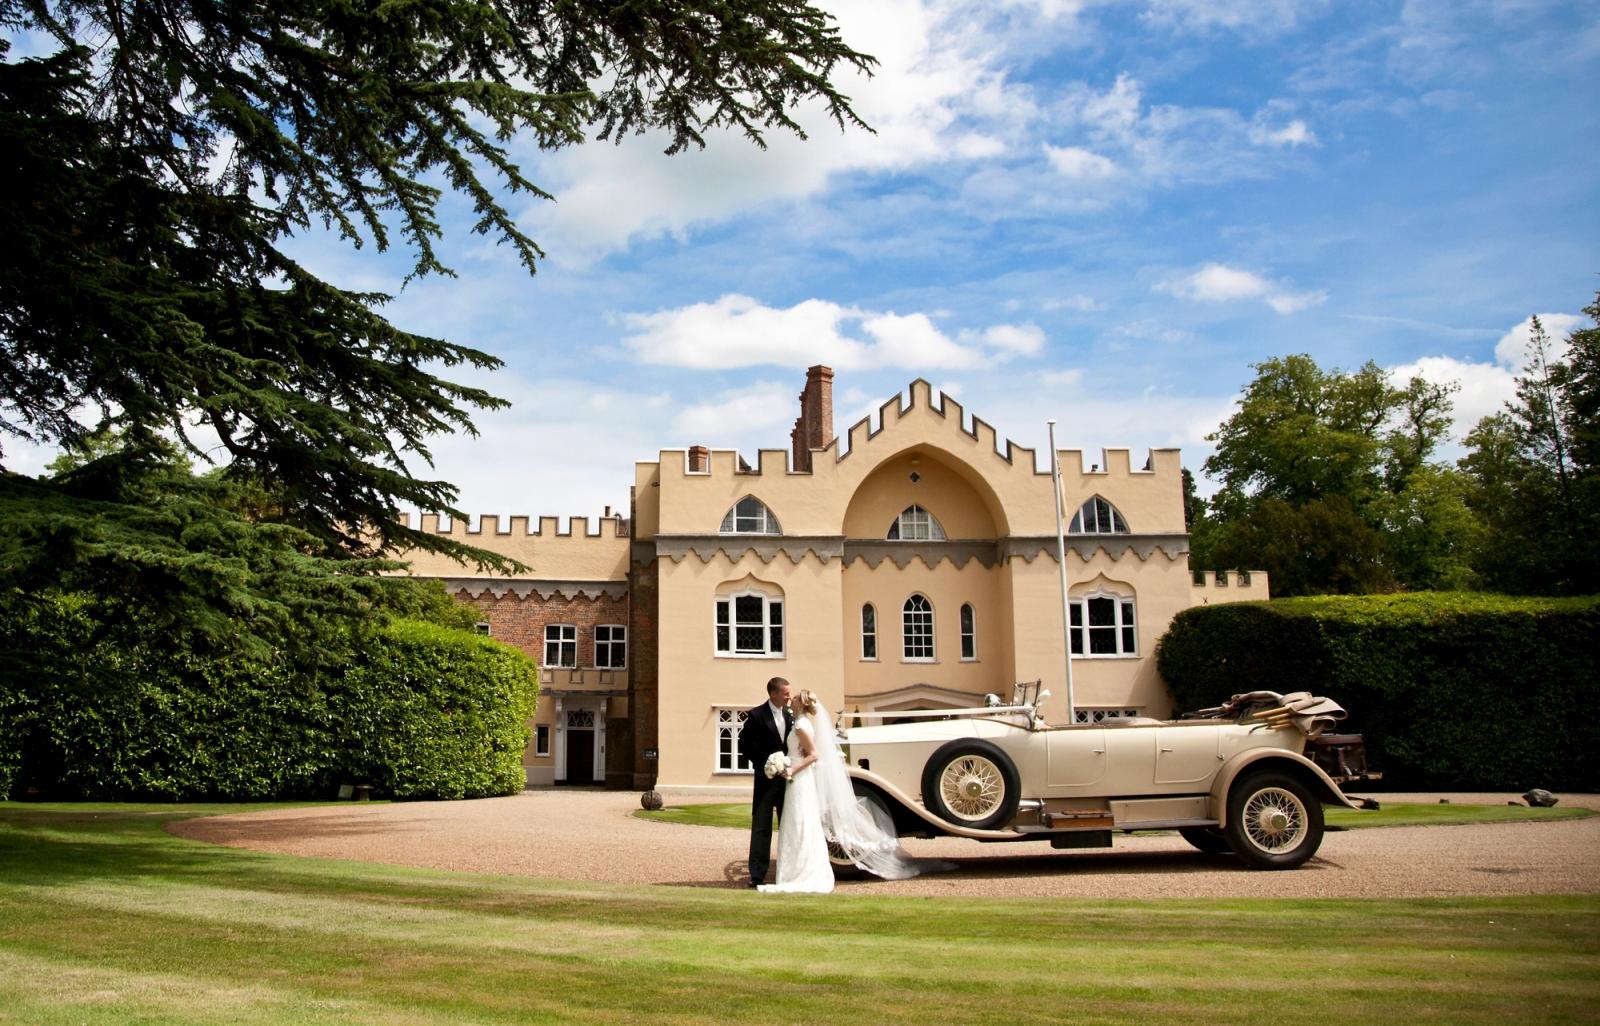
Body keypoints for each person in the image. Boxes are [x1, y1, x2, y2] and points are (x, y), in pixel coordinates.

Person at [758, 688, 954, 894]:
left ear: (802, 703)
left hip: (799, 778)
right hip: (798, 780)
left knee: (801, 822)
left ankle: (800, 872)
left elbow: (814, 754)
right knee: (797, 823)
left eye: (796, 697)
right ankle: (794, 870)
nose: (792, 699)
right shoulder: (800, 722)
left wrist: (791, 768)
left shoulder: (801, 725)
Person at [737, 676, 792, 888]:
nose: (788, 697)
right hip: (765, 780)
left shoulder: (789, 715)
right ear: (773, 694)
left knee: (789, 825)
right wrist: (767, 764)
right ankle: (757, 874)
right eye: (785, 693)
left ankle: (787, 871)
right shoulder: (756, 715)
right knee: (761, 827)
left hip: (788, 780)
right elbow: (745, 745)